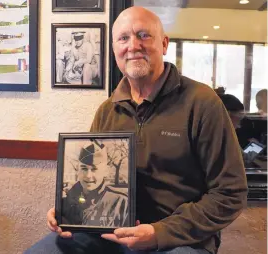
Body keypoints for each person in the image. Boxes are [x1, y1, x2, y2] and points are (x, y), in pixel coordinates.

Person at [25, 6, 247, 254]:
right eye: (123, 38)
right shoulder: (108, 111)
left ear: (164, 44)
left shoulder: (202, 102)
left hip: (180, 240)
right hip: (109, 233)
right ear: (114, 49)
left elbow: (230, 193)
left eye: (143, 35)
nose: (133, 46)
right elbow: (90, 175)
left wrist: (159, 232)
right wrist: (70, 209)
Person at [61, 141, 128, 227]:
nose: (88, 176)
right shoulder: (66, 201)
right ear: (78, 170)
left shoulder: (120, 203)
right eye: (84, 168)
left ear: (105, 171)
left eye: (94, 169)